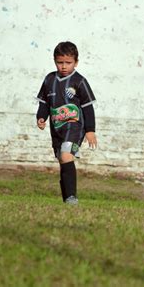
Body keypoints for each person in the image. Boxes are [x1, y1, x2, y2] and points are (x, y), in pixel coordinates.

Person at [36, 41, 97, 205]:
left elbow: (88, 107)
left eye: (68, 63)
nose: (63, 66)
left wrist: (90, 130)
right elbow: (44, 103)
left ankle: (71, 198)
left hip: (75, 127)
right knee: (63, 160)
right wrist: (41, 117)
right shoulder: (50, 79)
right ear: (54, 61)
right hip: (56, 128)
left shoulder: (80, 81)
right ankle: (67, 198)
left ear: (76, 62)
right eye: (60, 62)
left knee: (66, 155)